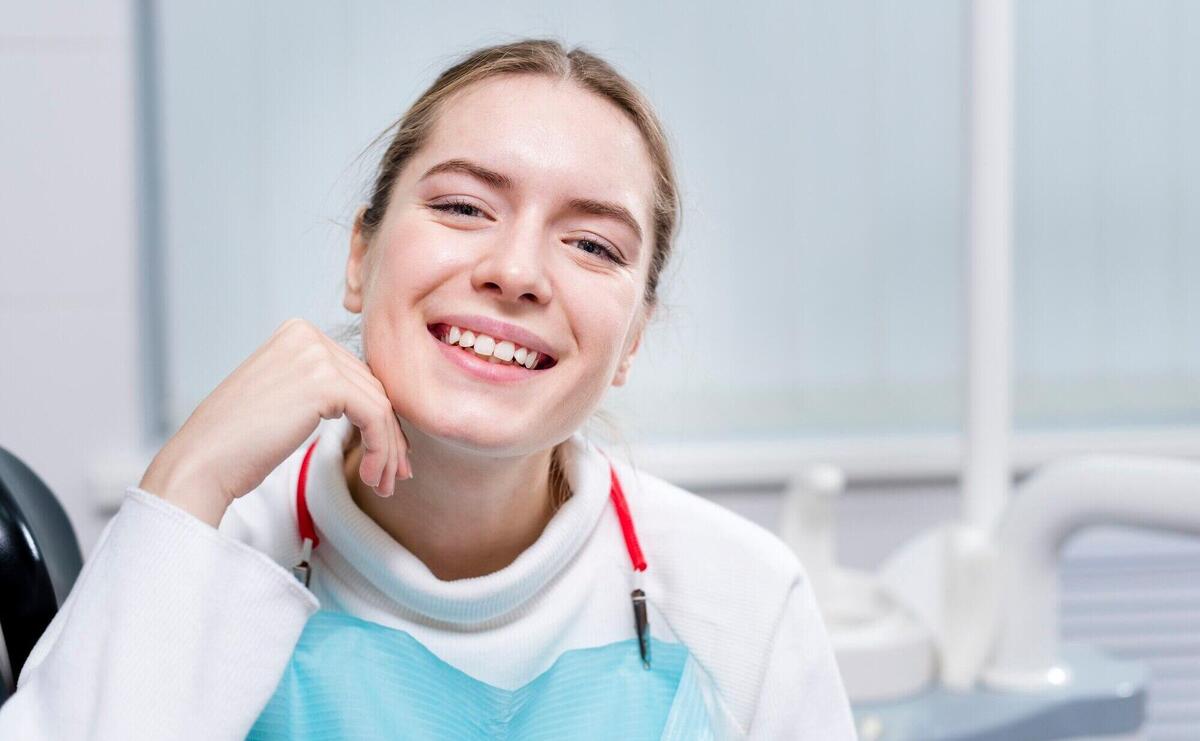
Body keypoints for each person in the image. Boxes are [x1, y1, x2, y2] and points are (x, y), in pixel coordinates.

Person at [0, 38, 855, 739]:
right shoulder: (205, 546)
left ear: (631, 339)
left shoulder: (742, 601)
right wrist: (186, 479)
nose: (516, 270)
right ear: (360, 256)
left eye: (593, 245)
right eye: (463, 207)